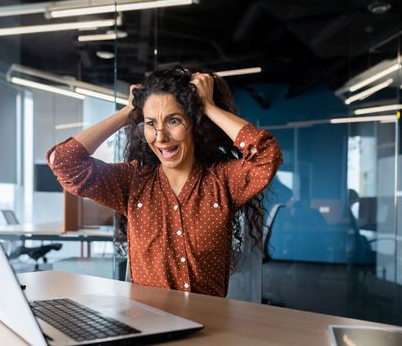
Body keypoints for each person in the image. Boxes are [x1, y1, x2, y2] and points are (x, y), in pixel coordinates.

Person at [47, 68, 282, 297]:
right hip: (148, 324)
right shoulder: (132, 183)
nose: (160, 137)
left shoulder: (223, 182)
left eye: (173, 121)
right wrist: (127, 113)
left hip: (209, 325)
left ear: (196, 124)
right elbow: (64, 161)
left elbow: (266, 155)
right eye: (151, 123)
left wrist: (208, 107)